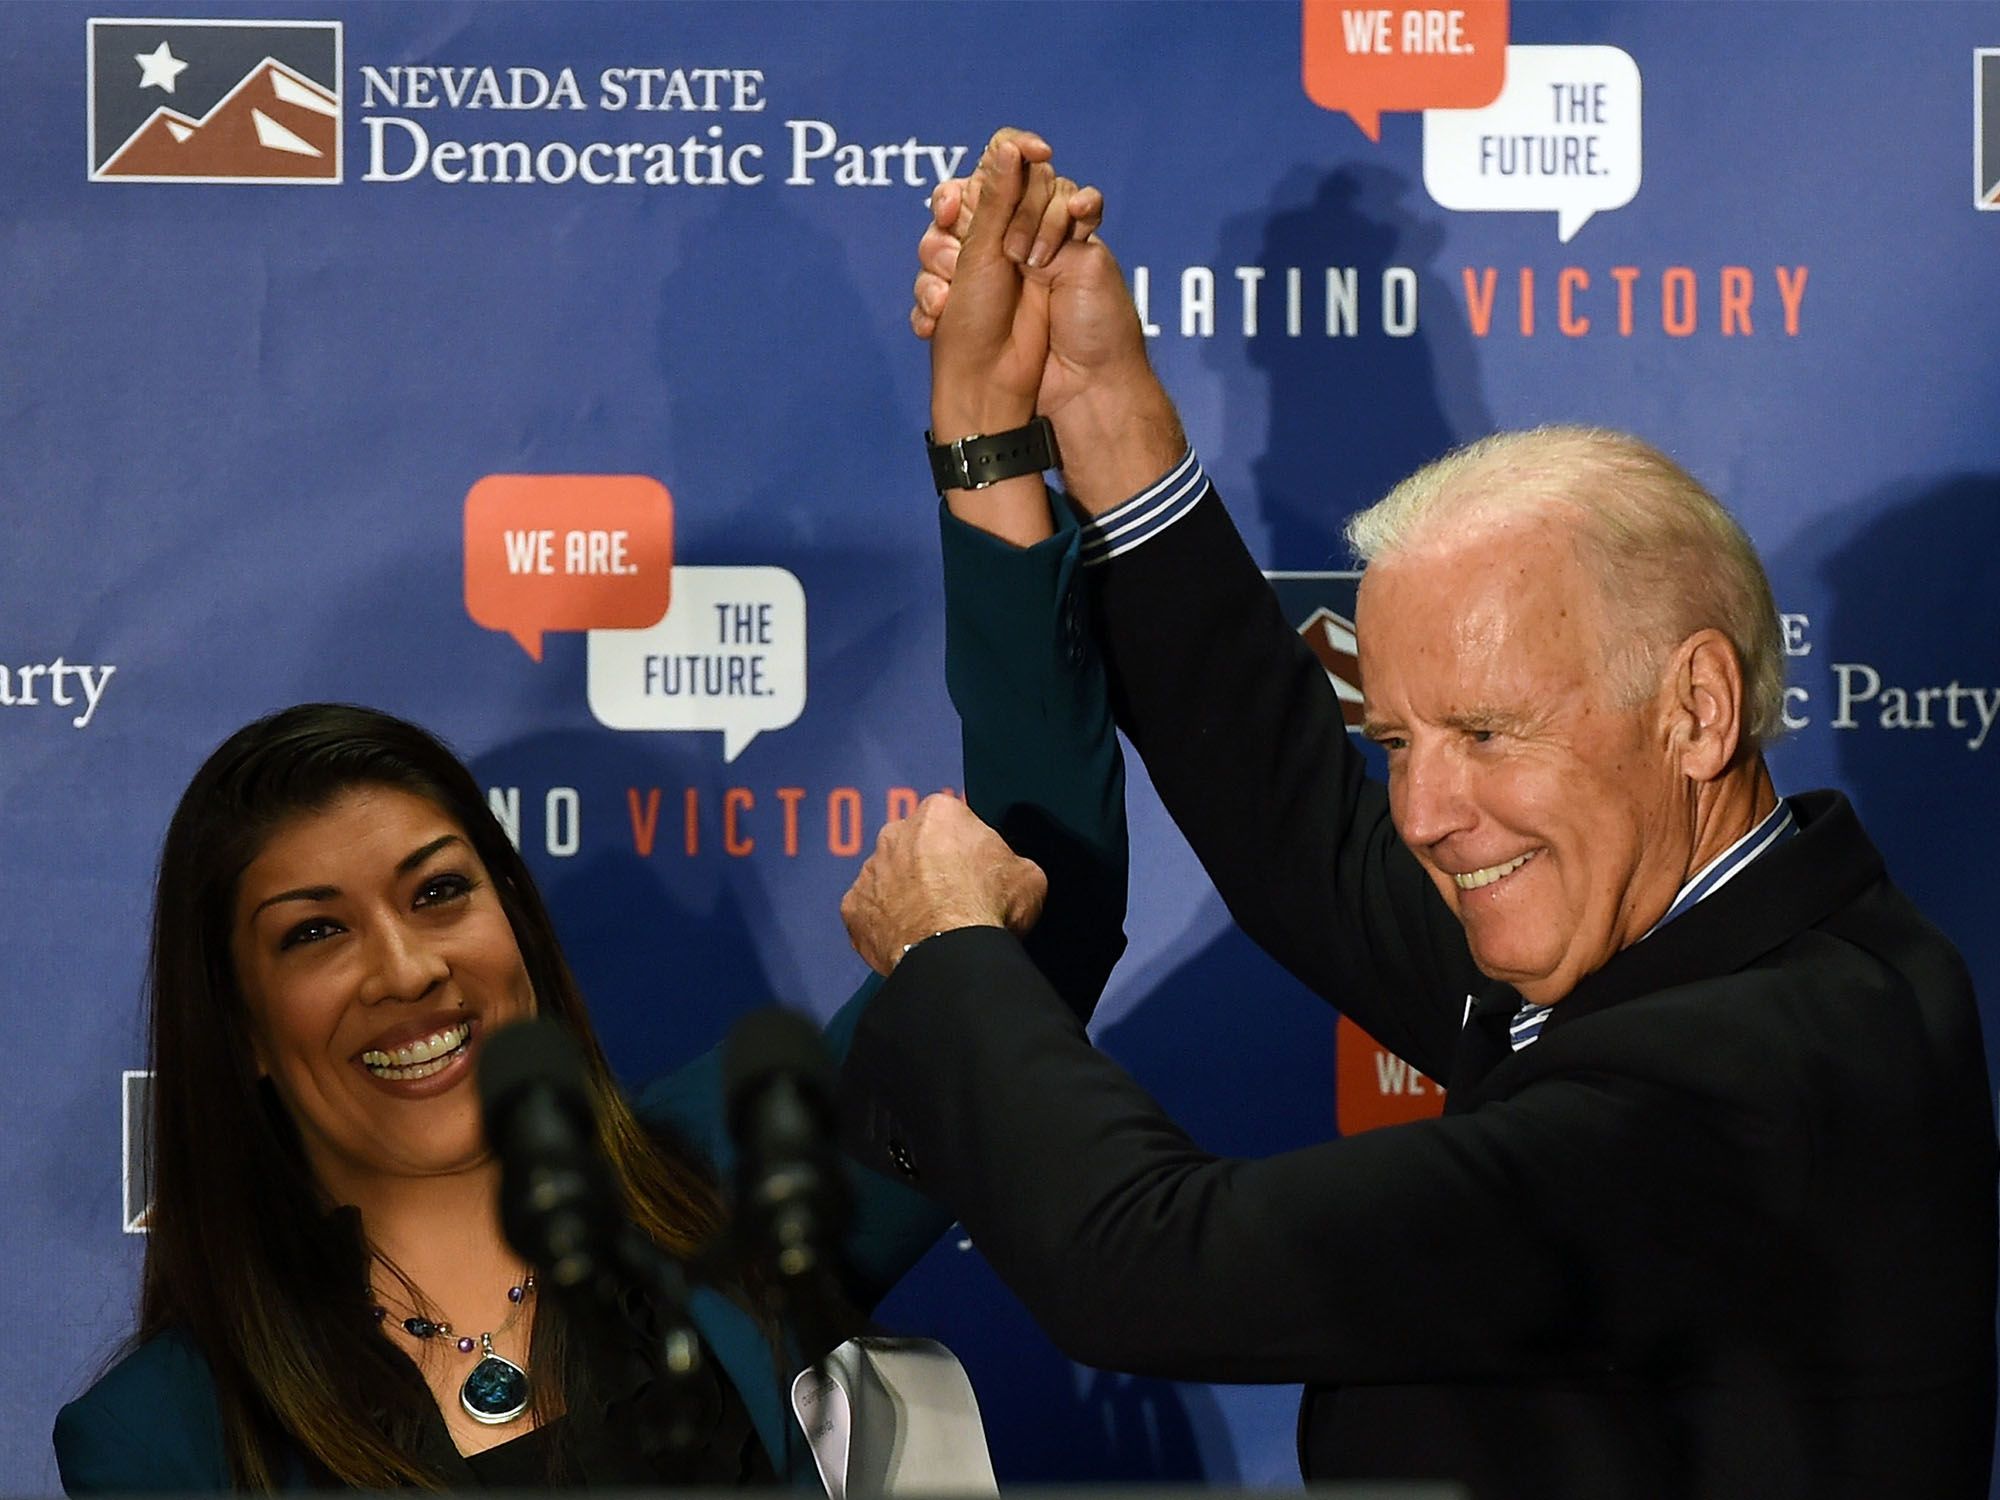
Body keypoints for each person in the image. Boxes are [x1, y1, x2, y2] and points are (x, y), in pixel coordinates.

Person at [835, 129, 1999, 1498]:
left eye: (1487, 732)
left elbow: (1153, 1265)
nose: (1429, 811)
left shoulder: (1739, 1083)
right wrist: (1098, 404)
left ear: (1695, 708)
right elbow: (1311, 842)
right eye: (1396, 739)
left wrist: (953, 958)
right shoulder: (1741, 940)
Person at [54, 688, 1124, 1489]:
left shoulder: (725, 1171)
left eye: (437, 892)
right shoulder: (162, 1438)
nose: (407, 968)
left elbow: (1030, 913)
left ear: (513, 920)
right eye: (317, 932)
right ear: (238, 1024)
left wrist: (987, 463)